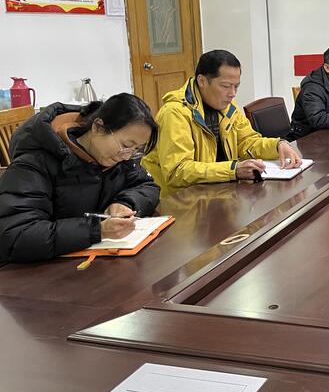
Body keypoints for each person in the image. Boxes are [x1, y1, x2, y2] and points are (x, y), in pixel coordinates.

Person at [0, 94, 160, 263]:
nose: (127, 156)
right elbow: (16, 234)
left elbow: (147, 186)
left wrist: (125, 202)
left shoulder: (118, 159)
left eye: (136, 149)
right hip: (38, 270)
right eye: (126, 145)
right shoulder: (36, 162)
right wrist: (95, 230)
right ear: (98, 126)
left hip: (94, 261)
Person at [142, 50, 302, 197]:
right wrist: (233, 170)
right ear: (202, 81)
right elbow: (177, 172)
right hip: (181, 201)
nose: (232, 93)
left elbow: (247, 142)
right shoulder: (175, 113)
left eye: (236, 86)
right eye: (226, 86)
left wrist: (277, 145)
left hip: (215, 193)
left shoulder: (228, 108)